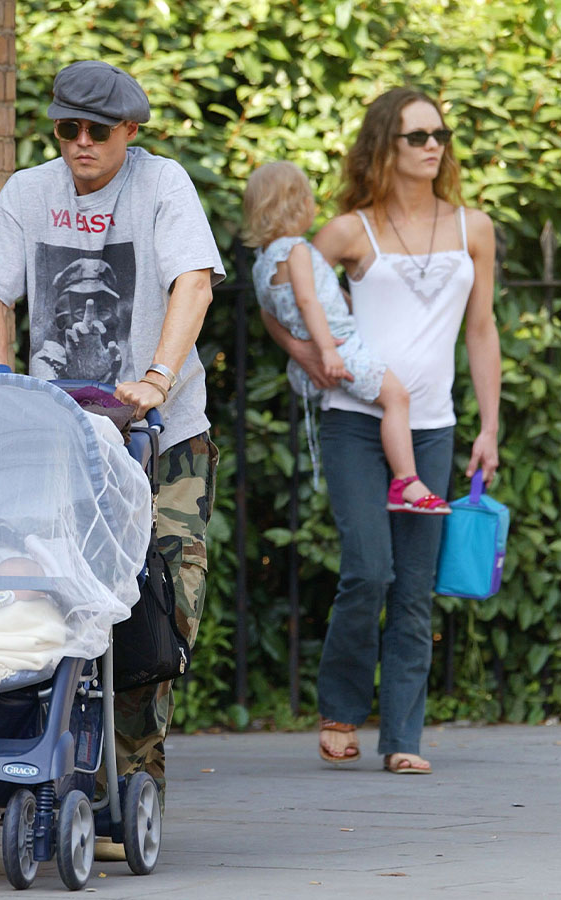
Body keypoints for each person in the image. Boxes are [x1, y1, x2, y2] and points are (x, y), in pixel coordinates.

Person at [0, 60, 224, 804]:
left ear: (128, 131)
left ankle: (133, 776)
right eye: (67, 128)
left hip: (162, 436)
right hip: (58, 446)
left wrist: (157, 378)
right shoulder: (28, 192)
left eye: (97, 131)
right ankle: (46, 756)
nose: (81, 142)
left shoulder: (161, 184)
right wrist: (0, 383)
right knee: (44, 590)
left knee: (158, 598)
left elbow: (193, 282)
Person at [261, 88, 500, 774]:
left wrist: (489, 425)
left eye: (440, 135)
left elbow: (482, 330)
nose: (433, 147)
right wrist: (308, 354)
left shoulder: (474, 227)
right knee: (368, 570)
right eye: (416, 136)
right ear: (384, 146)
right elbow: (279, 294)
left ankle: (402, 740)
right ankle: (340, 710)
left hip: (432, 430)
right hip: (355, 423)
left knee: (414, 590)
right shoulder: (350, 231)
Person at [244, 161, 450, 514]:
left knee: (391, 399)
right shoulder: (296, 250)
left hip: (318, 353)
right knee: (397, 398)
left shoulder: (263, 260)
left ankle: (403, 481)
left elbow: (280, 308)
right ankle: (405, 482)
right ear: (299, 205)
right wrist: (328, 351)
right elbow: (308, 301)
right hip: (341, 348)